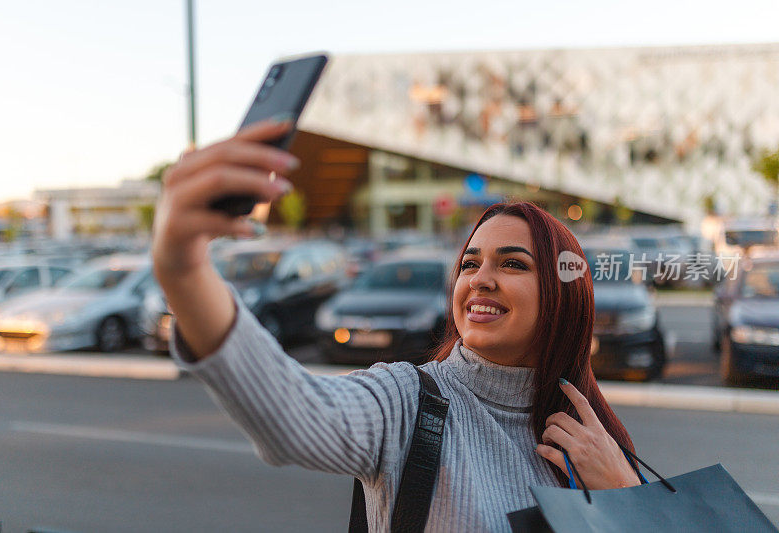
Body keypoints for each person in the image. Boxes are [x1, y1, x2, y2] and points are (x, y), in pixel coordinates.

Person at [152, 120, 643, 532]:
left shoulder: (594, 440)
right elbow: (293, 413)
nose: (481, 281)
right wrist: (184, 269)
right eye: (469, 265)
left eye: (513, 264)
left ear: (563, 296)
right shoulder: (408, 402)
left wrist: (625, 494)